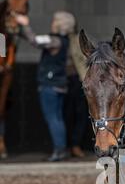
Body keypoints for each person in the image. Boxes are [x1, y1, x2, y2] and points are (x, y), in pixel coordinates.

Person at [15, 11, 75, 161]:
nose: (52, 23)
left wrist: (25, 24)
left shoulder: (55, 41)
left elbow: (35, 41)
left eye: (55, 21)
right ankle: (61, 149)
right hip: (59, 84)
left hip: (50, 85)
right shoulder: (63, 41)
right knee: (58, 118)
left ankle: (59, 150)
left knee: (53, 118)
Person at [64, 19, 88, 158]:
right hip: (67, 79)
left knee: (78, 113)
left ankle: (74, 144)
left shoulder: (75, 40)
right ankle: (70, 145)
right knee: (68, 114)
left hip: (76, 79)